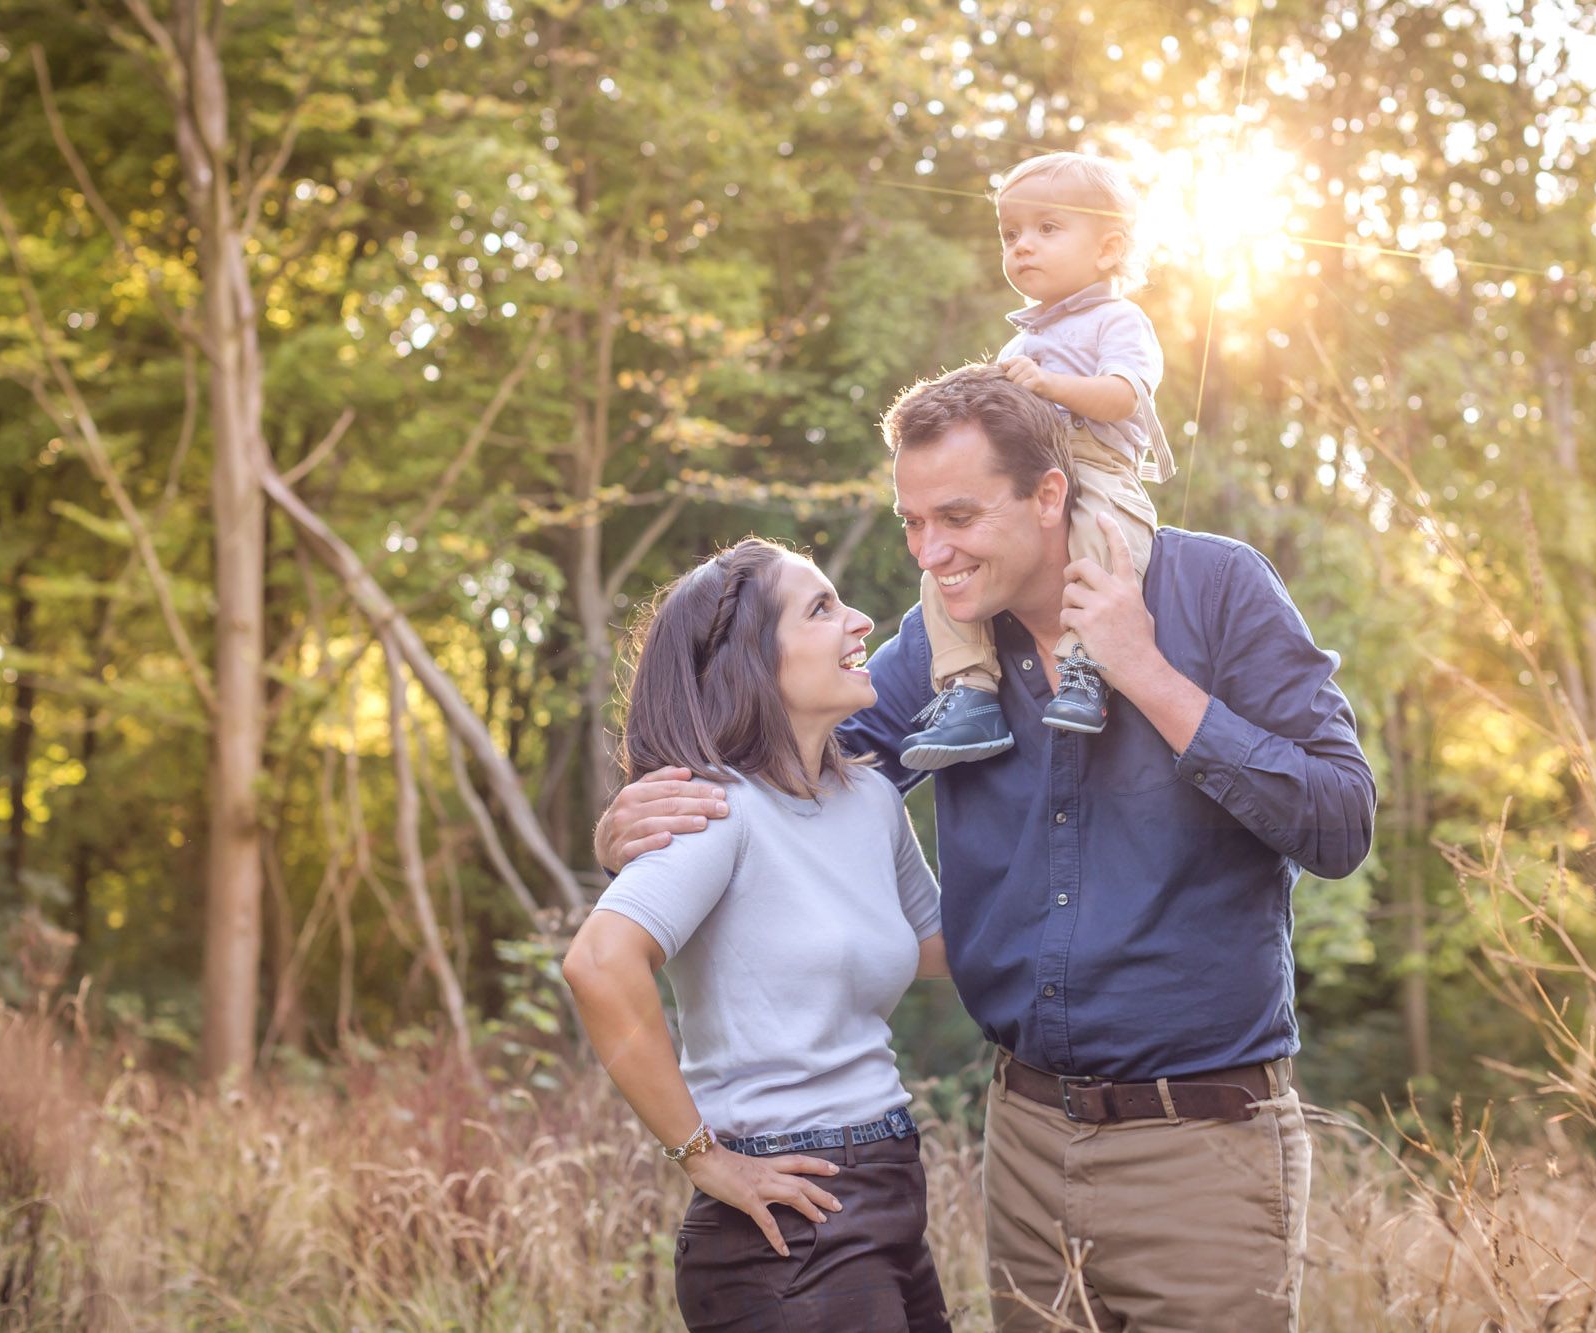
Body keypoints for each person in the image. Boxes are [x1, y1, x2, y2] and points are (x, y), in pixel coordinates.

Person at [597, 367, 1376, 1332]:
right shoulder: (941, 647)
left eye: (957, 517)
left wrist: (1147, 674)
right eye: (912, 522)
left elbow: (1341, 823)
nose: (932, 554)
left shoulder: (1214, 589)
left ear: (1049, 494)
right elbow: (780, 761)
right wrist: (636, 818)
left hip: (1204, 1150)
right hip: (1025, 1149)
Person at [562, 537, 954, 1333]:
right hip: (787, 1217)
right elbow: (600, 963)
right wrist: (703, 1157)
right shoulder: (714, 808)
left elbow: (936, 950)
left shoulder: (870, 797)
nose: (860, 621)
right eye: (821, 608)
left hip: (889, 1183)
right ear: (753, 662)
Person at [900, 152, 1175, 771]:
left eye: (1047, 229)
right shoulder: (1019, 341)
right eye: (1010, 233)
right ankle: (968, 688)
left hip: (1097, 462)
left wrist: (1048, 384)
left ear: (1108, 249)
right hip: (1030, 474)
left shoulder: (1118, 319)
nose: (1023, 246)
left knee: (1105, 539)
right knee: (944, 565)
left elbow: (1125, 395)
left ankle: (1086, 666)